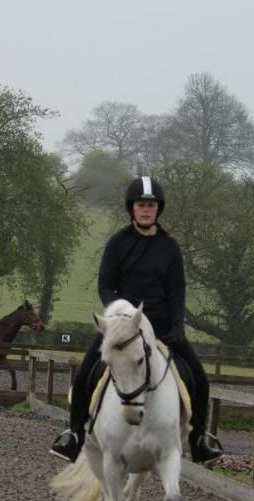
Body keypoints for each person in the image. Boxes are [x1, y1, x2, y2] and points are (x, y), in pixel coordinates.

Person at [51, 176, 223, 465]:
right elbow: (106, 286)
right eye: (141, 205)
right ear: (132, 208)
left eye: (151, 205)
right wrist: (119, 315)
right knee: (83, 377)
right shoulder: (117, 243)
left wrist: (177, 327)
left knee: (200, 379)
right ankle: (74, 435)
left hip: (162, 326)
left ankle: (198, 441)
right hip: (123, 326)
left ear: (158, 209)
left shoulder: (170, 247)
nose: (146, 210)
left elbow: (177, 291)